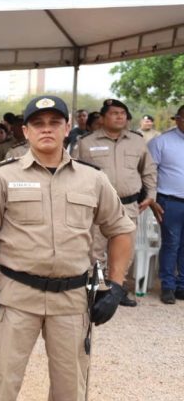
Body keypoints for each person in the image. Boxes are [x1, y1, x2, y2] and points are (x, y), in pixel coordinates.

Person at [0, 95, 134, 401]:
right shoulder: (4, 176)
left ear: (66, 130)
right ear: (24, 131)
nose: (46, 128)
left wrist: (114, 285)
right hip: (16, 292)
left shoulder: (92, 179)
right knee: (5, 370)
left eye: (54, 122)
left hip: (72, 296)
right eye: (37, 122)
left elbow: (121, 229)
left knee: (71, 374)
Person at [71, 99, 159, 306]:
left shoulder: (137, 141)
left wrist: (151, 194)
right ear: (102, 118)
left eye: (123, 113)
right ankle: (99, 290)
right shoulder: (86, 142)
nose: (120, 116)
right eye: (114, 113)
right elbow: (74, 173)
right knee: (96, 249)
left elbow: (148, 170)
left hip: (128, 204)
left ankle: (117, 289)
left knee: (124, 249)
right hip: (97, 205)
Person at [148, 105, 184, 304]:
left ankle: (182, 286)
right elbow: (149, 174)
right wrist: (152, 199)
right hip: (170, 202)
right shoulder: (161, 142)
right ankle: (168, 286)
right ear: (177, 119)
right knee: (171, 243)